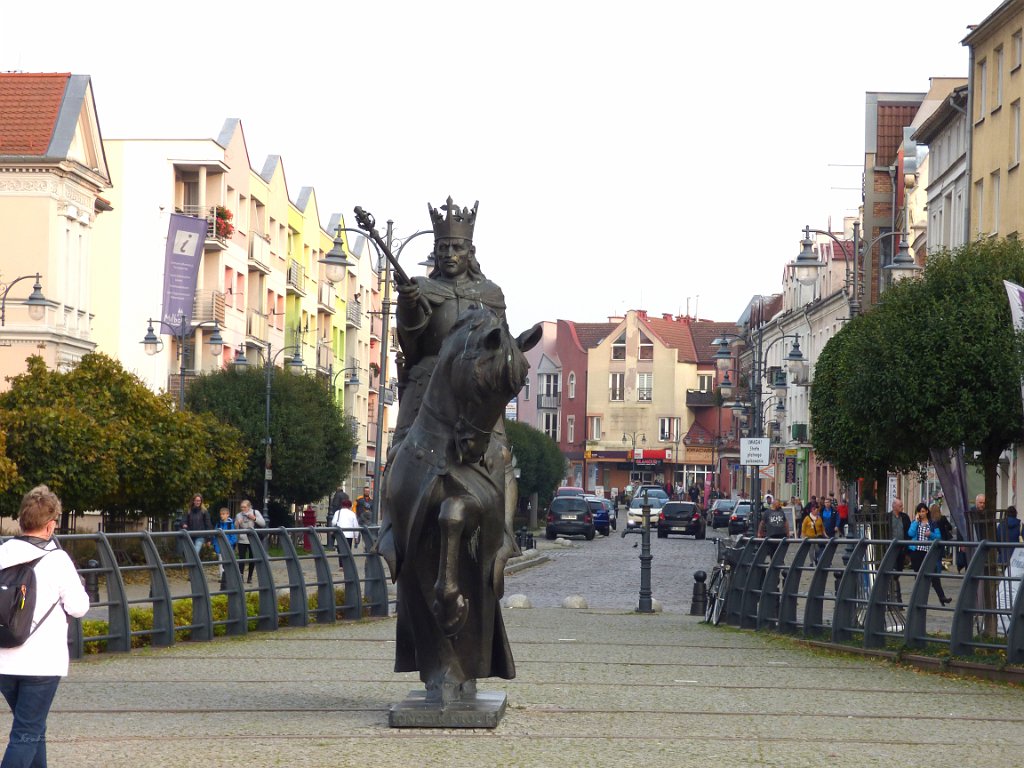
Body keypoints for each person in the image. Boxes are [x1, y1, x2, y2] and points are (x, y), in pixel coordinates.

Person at [0, 485, 89, 767]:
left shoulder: (2, 554)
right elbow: (79, 607)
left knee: (33, 726)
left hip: (3, 659)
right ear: (50, 526)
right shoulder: (58, 560)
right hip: (41, 663)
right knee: (26, 732)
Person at [908, 502, 952, 605]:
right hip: (917, 551)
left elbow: (938, 536)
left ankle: (942, 597)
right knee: (919, 577)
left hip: (928, 552)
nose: (921, 513)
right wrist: (915, 521)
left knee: (934, 575)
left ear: (927, 511)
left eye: (923, 511)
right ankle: (918, 599)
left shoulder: (932, 523)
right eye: (919, 512)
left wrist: (930, 534)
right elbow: (910, 533)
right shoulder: (915, 522)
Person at [234, 499, 265, 584]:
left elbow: (263, 523)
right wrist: (237, 524)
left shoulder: (255, 512)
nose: (243, 509)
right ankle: (241, 576)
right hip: (242, 539)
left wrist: (254, 518)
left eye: (244, 507)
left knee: (252, 558)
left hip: (253, 539)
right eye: (241, 507)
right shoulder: (238, 515)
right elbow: (235, 528)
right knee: (241, 558)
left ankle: (250, 577)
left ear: (249, 507)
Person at [890, 499, 912, 601]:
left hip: (902, 548)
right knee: (892, 570)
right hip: (891, 548)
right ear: (894, 506)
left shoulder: (905, 517)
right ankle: (895, 596)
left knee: (899, 569)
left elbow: (908, 532)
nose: (902, 508)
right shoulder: (888, 517)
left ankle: (895, 591)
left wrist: (907, 548)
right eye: (900, 506)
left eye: (902, 506)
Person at [331, 499, 360, 569]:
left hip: (340, 534)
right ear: (350, 506)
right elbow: (355, 525)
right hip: (349, 534)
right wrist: (356, 537)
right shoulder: (352, 514)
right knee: (348, 549)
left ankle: (341, 565)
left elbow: (334, 522)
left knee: (340, 549)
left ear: (342, 505)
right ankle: (346, 564)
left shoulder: (338, 512)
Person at [212, 507, 237, 589]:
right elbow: (215, 536)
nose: (221, 516)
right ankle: (222, 578)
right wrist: (215, 546)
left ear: (227, 514)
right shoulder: (218, 524)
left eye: (223, 514)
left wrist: (229, 544)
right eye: (220, 514)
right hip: (220, 546)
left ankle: (228, 577)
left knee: (228, 563)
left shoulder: (230, 524)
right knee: (221, 562)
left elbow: (233, 537)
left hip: (228, 547)